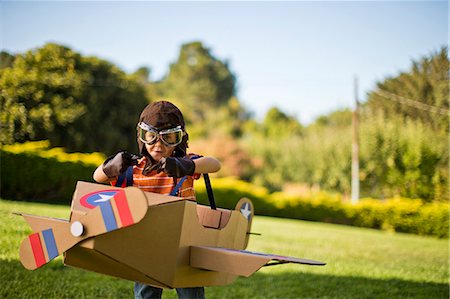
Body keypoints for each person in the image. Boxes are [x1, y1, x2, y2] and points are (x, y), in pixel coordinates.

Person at [93, 100, 221, 299]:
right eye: (151, 137)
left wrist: (185, 166)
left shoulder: (184, 164)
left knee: (191, 294)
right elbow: (97, 177)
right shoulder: (132, 169)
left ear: (179, 139)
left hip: (184, 245)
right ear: (142, 137)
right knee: (146, 294)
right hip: (148, 244)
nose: (158, 145)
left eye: (168, 138)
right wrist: (110, 165)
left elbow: (214, 164)